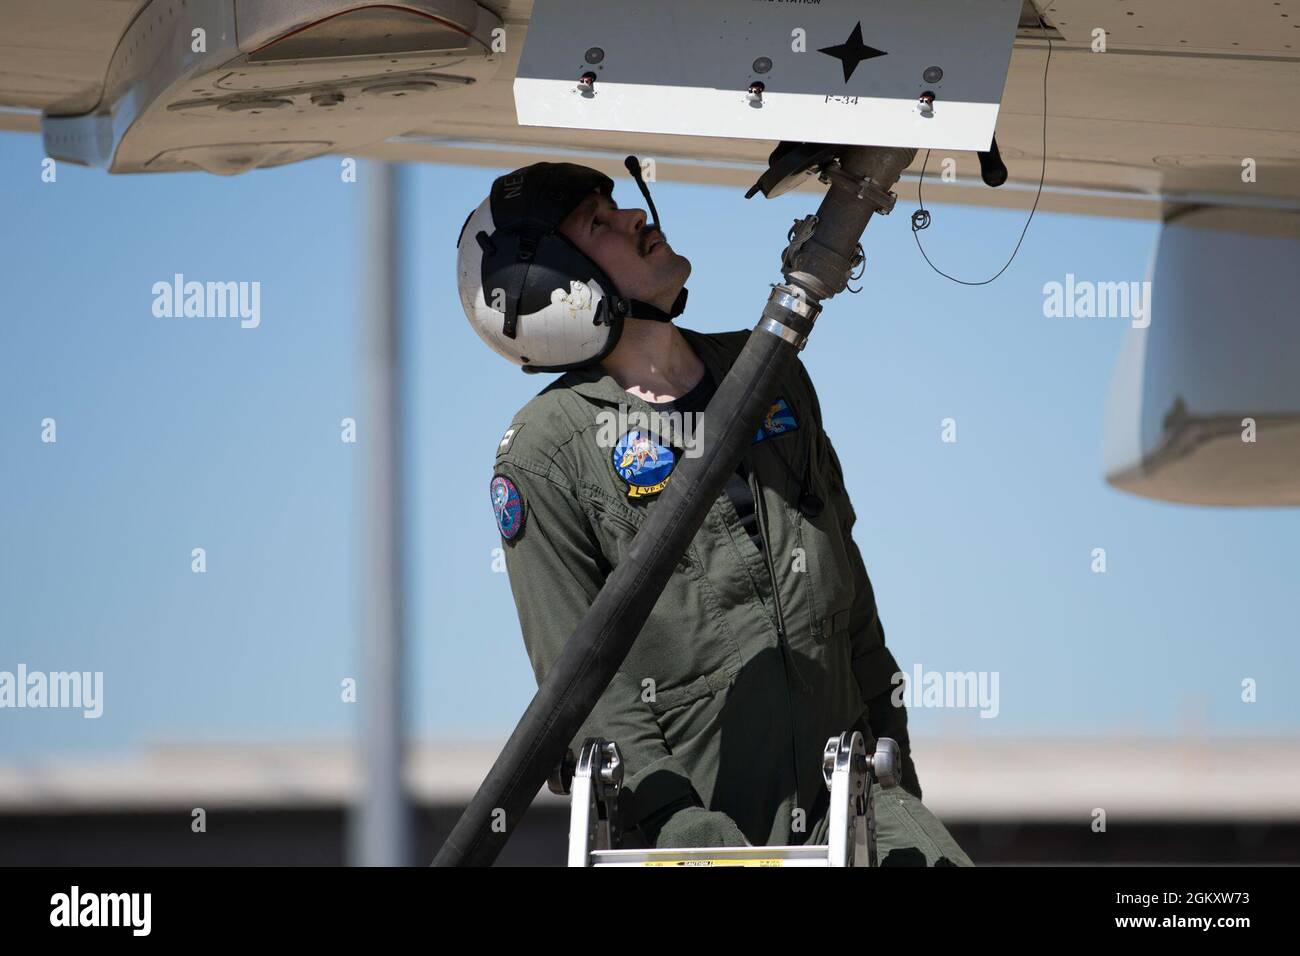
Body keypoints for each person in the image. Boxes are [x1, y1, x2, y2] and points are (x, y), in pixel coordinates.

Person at [456, 159, 971, 864]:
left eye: (619, 204)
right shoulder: (547, 454)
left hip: (850, 806)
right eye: (598, 223)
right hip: (703, 824)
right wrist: (677, 824)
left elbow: (851, 600)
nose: (636, 218)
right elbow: (575, 682)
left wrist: (894, 769)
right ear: (551, 280)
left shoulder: (770, 373)